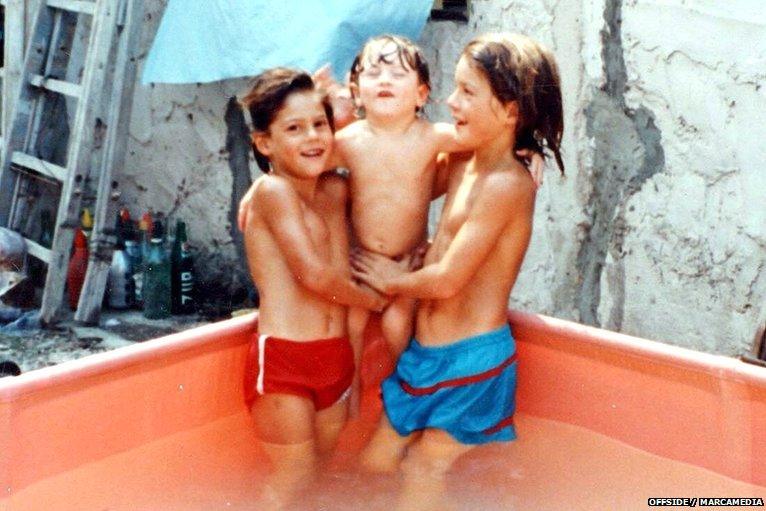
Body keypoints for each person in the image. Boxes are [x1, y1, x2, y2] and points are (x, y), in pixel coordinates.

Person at [350, 33, 564, 509]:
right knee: (372, 466)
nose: (451, 101)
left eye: (468, 92)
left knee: (422, 469)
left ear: (510, 111)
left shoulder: (507, 184)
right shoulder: (464, 161)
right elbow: (398, 182)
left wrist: (391, 280)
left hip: (472, 362)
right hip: (424, 358)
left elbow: (448, 278)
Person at [238, 67, 386, 507]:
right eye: (294, 129)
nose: (312, 137)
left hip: (335, 359)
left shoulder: (334, 190)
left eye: (319, 125)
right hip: (286, 360)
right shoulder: (271, 192)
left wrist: (339, 104)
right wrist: (376, 298)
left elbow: (388, 155)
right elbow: (315, 276)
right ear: (264, 143)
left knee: (318, 479)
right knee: (292, 481)